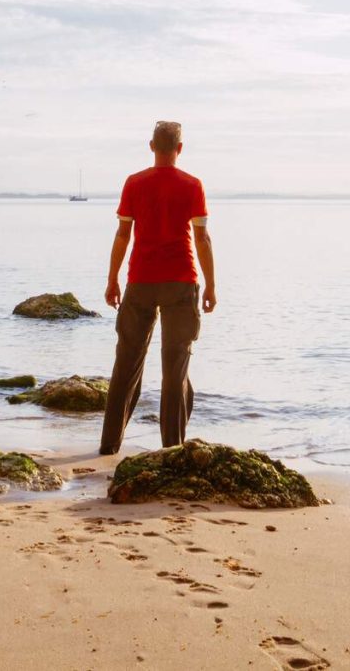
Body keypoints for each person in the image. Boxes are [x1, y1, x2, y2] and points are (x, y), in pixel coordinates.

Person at [99, 119, 215, 454]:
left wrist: (112, 279)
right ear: (179, 149)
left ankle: (109, 446)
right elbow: (202, 238)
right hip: (181, 282)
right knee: (174, 368)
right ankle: (172, 450)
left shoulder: (134, 183)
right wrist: (211, 285)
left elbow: (123, 235)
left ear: (152, 146)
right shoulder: (192, 185)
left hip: (140, 282)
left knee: (126, 365)